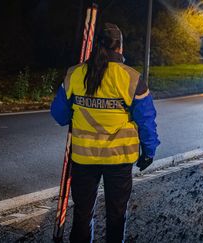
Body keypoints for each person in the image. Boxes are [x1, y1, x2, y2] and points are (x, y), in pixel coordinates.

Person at [50, 23, 160, 243]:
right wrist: (148, 151)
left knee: (82, 213)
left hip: (83, 159)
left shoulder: (75, 74)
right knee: (116, 215)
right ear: (120, 47)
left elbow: (60, 116)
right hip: (119, 161)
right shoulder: (131, 78)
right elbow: (146, 120)